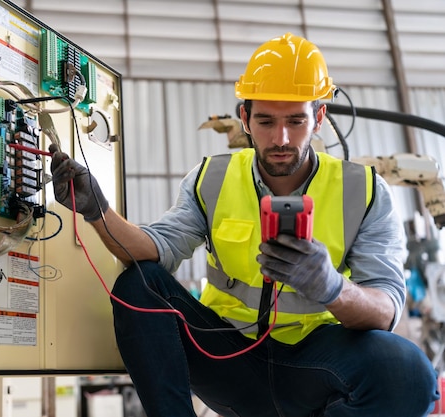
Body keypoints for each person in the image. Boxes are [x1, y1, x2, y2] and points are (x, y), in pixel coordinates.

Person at [49, 33, 439, 417]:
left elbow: (385, 309)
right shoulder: (211, 179)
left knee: (407, 375)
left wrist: (331, 287)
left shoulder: (365, 190)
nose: (280, 138)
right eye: (266, 120)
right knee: (140, 283)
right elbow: (156, 248)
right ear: (245, 118)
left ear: (319, 118)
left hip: (315, 366)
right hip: (226, 356)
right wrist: (97, 209)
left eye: (296, 120)